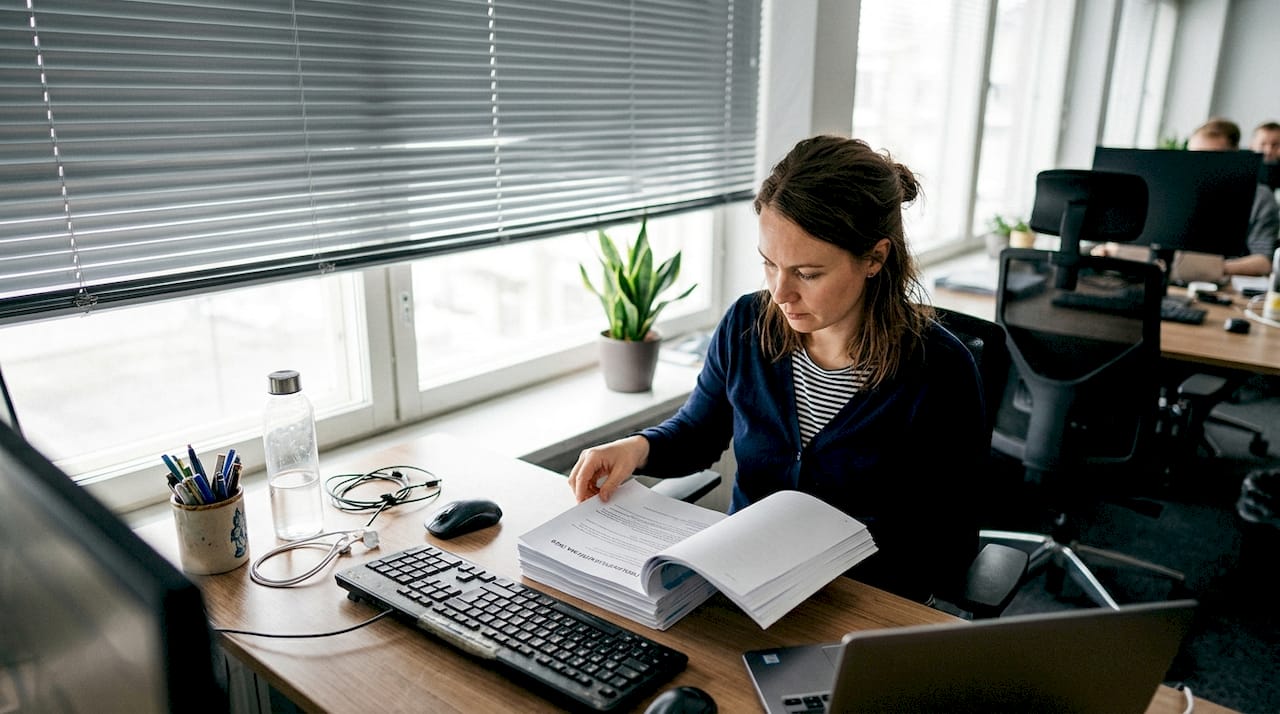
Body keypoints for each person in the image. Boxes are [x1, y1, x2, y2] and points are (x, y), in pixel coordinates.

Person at [566, 135, 987, 605]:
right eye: (769, 264)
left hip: (864, 604)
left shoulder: (939, 370)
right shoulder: (747, 325)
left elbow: (950, 544)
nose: (781, 292)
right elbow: (699, 433)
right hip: (738, 588)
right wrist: (637, 448)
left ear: (875, 258)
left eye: (807, 274)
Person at [1187, 117, 1280, 277]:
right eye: (1194, 155)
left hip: (1224, 284)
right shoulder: (1178, 191)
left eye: (1211, 157)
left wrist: (1208, 268)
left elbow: (1264, 262)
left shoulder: (1261, 198)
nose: (1199, 164)